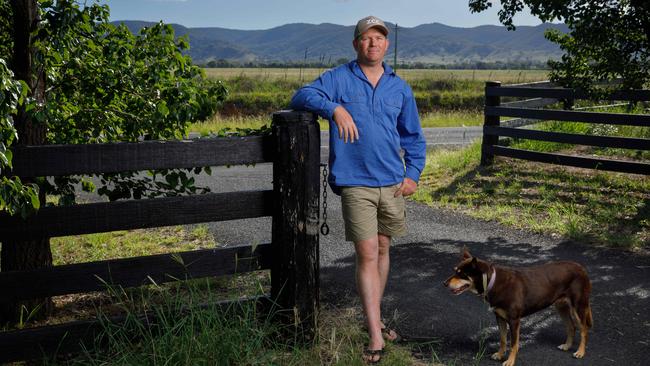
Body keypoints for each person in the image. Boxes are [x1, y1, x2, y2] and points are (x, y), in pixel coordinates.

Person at [290, 15, 426, 364]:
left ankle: (375, 319)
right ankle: (376, 336)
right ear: (356, 44)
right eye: (366, 38)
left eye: (378, 38)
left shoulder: (399, 86)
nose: (373, 43)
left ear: (386, 44)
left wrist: (412, 175)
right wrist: (334, 108)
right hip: (356, 182)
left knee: (383, 248)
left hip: (393, 183)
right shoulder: (339, 78)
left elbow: (413, 136)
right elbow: (301, 95)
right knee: (367, 253)